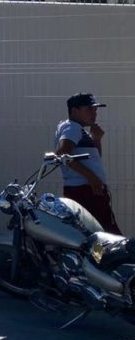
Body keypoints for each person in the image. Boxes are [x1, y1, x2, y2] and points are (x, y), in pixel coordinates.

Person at [54, 93, 122, 235]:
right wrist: (91, 178)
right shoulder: (72, 127)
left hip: (88, 190)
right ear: (74, 111)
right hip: (85, 191)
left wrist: (96, 139)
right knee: (106, 235)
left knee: (101, 234)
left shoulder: (77, 129)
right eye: (89, 109)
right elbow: (62, 154)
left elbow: (94, 159)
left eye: (95, 110)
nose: (94, 113)